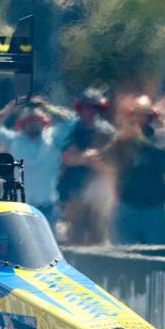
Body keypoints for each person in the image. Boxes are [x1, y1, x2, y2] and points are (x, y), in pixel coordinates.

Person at [102, 95, 165, 245]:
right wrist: (121, 140)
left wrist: (140, 139)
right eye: (135, 114)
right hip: (128, 204)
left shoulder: (161, 136)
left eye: (143, 114)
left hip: (154, 206)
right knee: (124, 254)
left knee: (163, 254)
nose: (138, 119)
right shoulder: (122, 139)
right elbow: (106, 158)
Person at [0, 99, 73, 226]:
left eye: (37, 119)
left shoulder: (54, 138)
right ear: (22, 123)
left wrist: (47, 106)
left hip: (48, 207)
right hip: (21, 207)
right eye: (29, 120)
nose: (33, 123)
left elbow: (71, 122)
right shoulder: (13, 140)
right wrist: (11, 107)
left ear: (44, 121)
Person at [59, 89, 115, 244]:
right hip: (75, 189)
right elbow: (67, 157)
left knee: (97, 232)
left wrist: (86, 158)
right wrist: (89, 158)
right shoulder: (72, 129)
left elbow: (113, 163)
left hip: (100, 191)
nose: (89, 111)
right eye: (85, 107)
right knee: (75, 233)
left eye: (93, 107)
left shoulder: (107, 131)